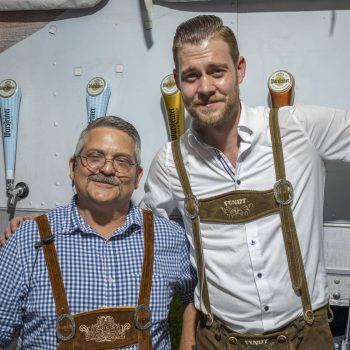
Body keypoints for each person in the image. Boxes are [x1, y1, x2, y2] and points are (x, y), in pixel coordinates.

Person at [141, 15, 350, 349]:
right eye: (191, 76)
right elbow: (142, 233)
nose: (206, 88)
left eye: (217, 71)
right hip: (219, 340)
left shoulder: (298, 128)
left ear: (239, 69)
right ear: (178, 82)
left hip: (306, 337)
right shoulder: (170, 162)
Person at [0, 116, 197, 350]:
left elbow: (194, 295)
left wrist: (187, 344)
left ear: (137, 177)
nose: (106, 169)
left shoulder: (170, 238)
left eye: (122, 161)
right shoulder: (26, 241)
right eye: (94, 157)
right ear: (72, 167)